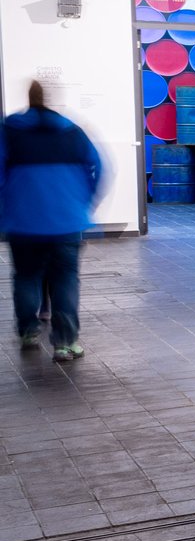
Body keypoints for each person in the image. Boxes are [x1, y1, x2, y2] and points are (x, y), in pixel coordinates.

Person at [0, 81, 105, 361]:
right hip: (67, 222)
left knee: (26, 277)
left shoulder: (8, 131)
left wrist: (6, 206)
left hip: (23, 223)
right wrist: (84, 201)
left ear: (28, 99)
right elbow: (99, 166)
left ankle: (28, 332)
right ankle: (65, 343)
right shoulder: (72, 130)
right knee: (65, 280)